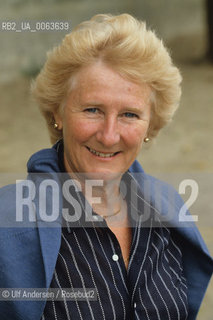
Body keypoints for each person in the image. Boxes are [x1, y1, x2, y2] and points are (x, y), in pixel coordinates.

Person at [0, 13, 212, 320]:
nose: (109, 135)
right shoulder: (9, 227)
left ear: (151, 124)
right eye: (92, 109)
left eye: (129, 114)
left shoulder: (169, 210)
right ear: (58, 112)